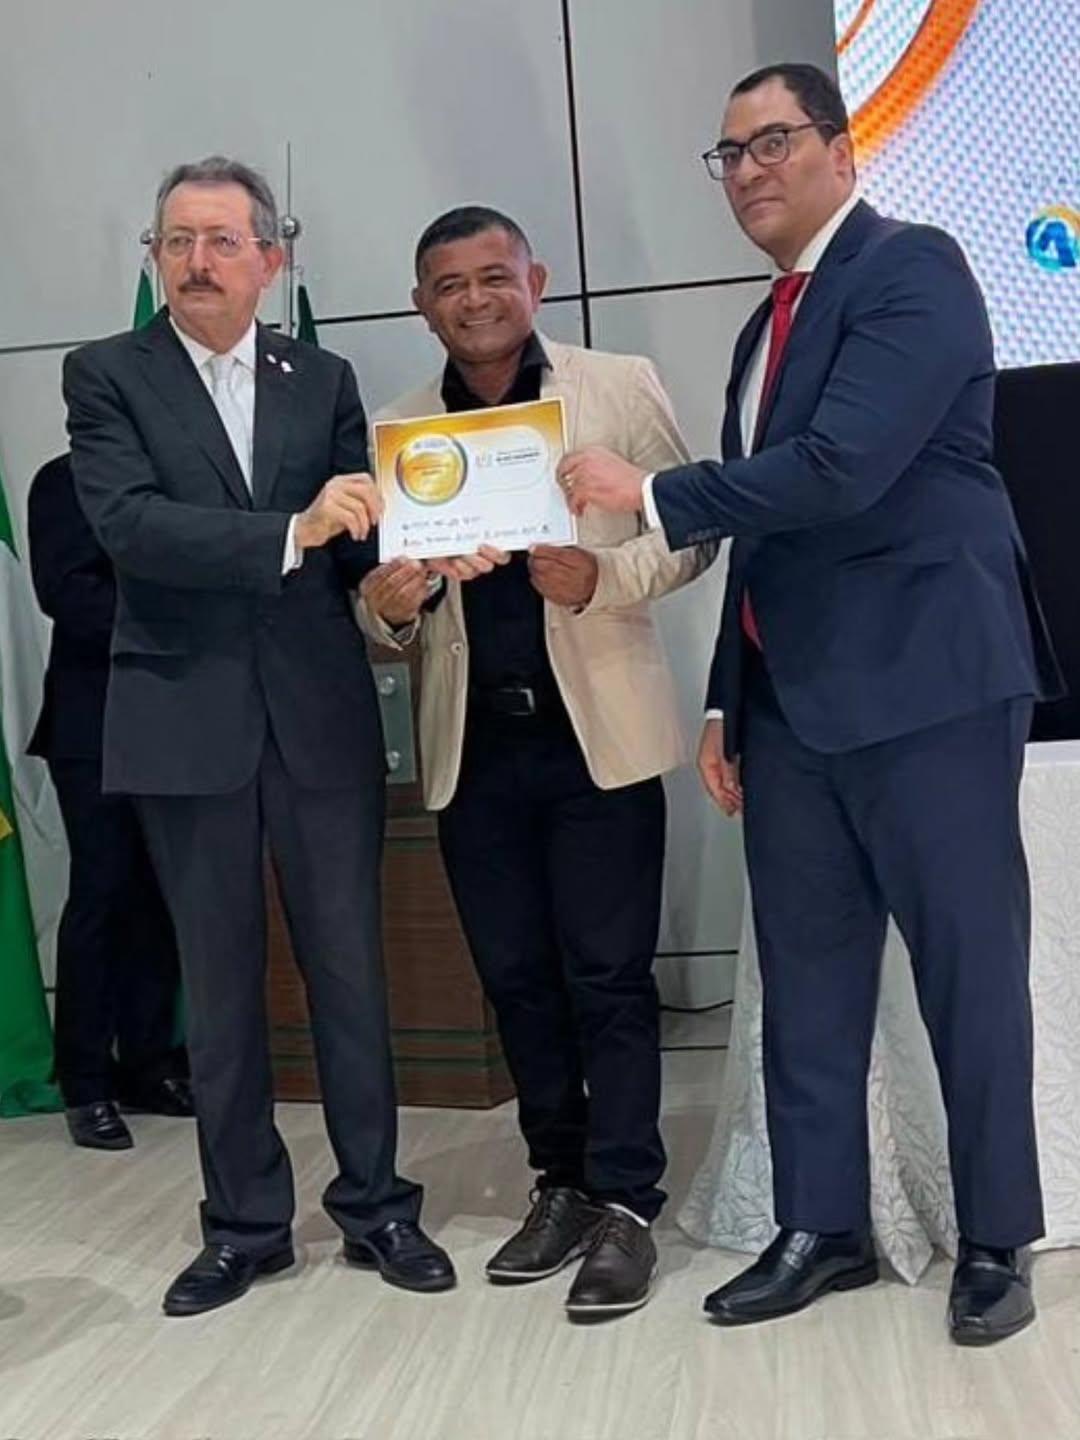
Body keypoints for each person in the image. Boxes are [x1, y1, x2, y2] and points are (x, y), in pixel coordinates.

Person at [559, 64, 1062, 1345]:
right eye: (729, 154)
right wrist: (725, 702)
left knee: (968, 974)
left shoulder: (914, 269)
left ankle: (996, 1240)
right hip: (789, 710)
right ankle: (821, 1227)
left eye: (773, 141)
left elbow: (838, 471)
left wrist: (650, 491)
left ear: (843, 150)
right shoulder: (759, 330)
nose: (749, 171)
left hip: (927, 691)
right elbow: (766, 539)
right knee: (807, 985)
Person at [63, 156, 452, 1316]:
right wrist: (294, 532)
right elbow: (131, 528)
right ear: (154, 257)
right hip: (185, 718)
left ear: (270, 260)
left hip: (318, 713)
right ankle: (244, 1226)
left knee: (350, 972)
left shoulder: (320, 376)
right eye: (177, 241)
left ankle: (378, 1208)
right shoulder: (107, 373)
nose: (198, 262)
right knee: (222, 985)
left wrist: (409, 578)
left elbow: (356, 544)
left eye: (223, 241)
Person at [357, 206, 714, 1316]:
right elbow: (384, 611)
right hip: (476, 747)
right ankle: (558, 1180)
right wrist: (392, 606)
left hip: (596, 735)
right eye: (449, 284)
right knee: (516, 980)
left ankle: (629, 1202)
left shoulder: (615, 386)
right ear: (422, 304)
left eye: (493, 276)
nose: (474, 299)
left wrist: (603, 578)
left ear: (536, 280)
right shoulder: (400, 427)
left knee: (609, 977)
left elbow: (692, 528)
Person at [27, 452, 191, 1151]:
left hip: (178, 721)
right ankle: (86, 1081)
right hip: (93, 723)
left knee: (161, 895)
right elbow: (68, 595)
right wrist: (180, 617)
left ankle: (150, 1064)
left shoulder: (178, 476)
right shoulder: (64, 480)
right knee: (102, 894)